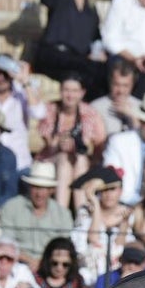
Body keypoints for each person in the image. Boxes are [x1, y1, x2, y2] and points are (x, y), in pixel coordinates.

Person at [35, 72, 105, 207]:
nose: (70, 95)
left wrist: (79, 146)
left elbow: (99, 146)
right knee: (64, 160)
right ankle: (62, 213)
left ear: (82, 93)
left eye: (74, 91)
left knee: (81, 160)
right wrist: (57, 144)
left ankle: (81, 213)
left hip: (81, 164)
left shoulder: (90, 114)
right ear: (60, 91)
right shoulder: (49, 110)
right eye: (66, 90)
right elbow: (40, 142)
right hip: (51, 160)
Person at [33, 0, 105, 100]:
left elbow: (95, 37)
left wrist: (99, 53)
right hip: (53, 54)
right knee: (87, 67)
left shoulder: (90, 6)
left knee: (100, 71)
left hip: (77, 60)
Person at [0, 161, 73, 269]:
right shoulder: (11, 207)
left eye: (43, 188)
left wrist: (43, 263)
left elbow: (63, 247)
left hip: (51, 266)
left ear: (51, 190)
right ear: (29, 187)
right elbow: (6, 242)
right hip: (16, 263)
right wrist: (29, 260)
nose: (39, 194)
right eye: (36, 187)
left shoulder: (63, 214)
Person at [89, 59, 140, 136]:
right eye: (116, 84)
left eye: (125, 85)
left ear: (133, 85)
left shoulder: (140, 106)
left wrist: (131, 116)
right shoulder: (95, 107)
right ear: (110, 82)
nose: (120, 91)